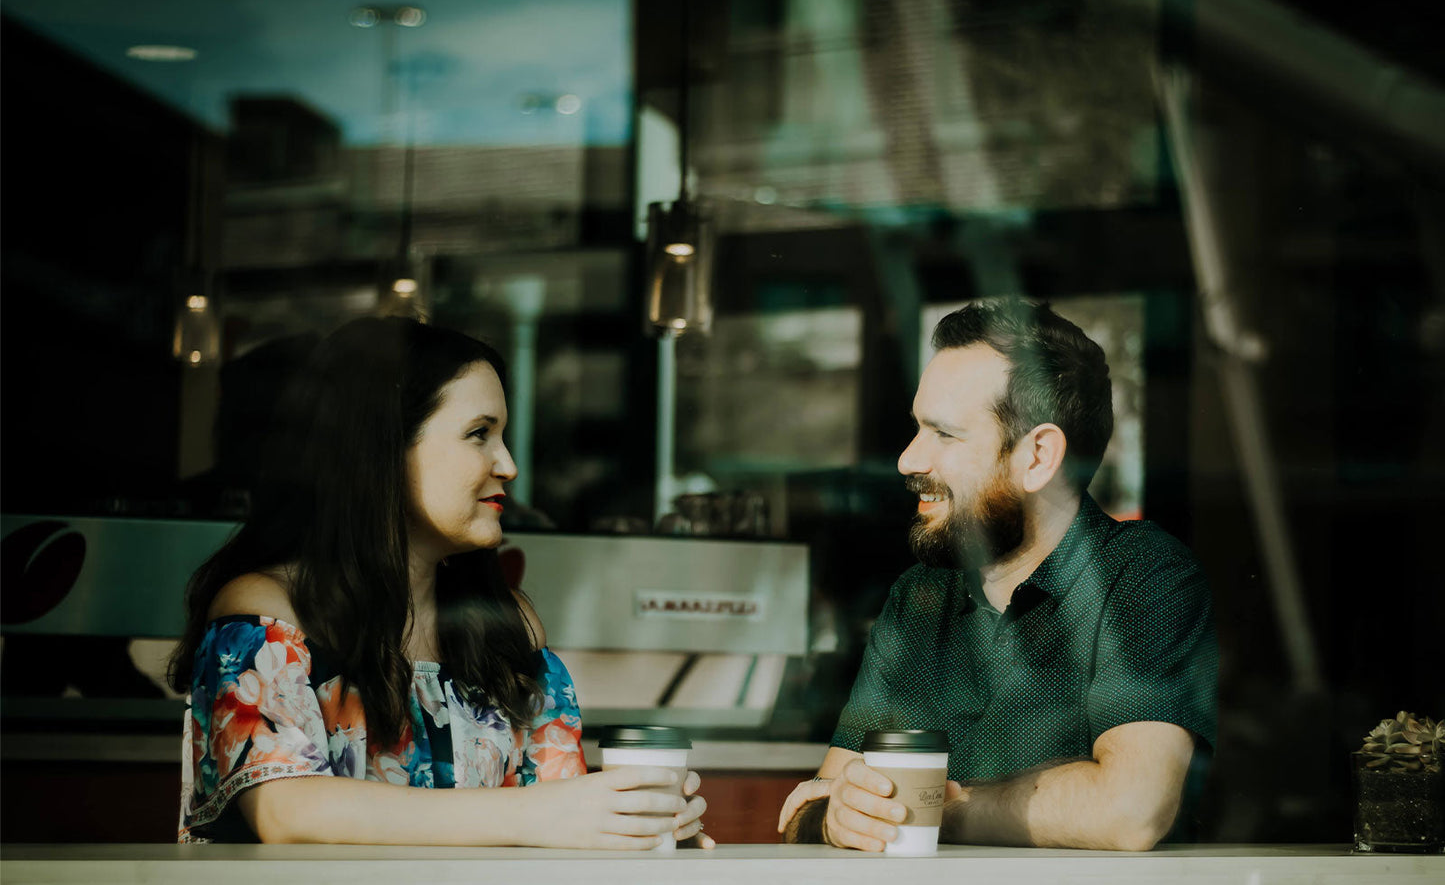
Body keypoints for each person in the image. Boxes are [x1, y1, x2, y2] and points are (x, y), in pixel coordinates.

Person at [168, 316, 712, 847]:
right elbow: (283, 809)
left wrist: (635, 821)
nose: (508, 464)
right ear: (382, 450)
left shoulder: (507, 627)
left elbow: (560, 813)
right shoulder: (268, 614)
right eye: (479, 434)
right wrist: (531, 815)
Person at [778, 298, 1216, 851]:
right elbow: (816, 804)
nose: (908, 460)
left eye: (944, 434)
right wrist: (833, 817)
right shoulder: (920, 597)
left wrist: (930, 810)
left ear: (1037, 458)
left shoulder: (1142, 576)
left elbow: (1131, 812)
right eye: (917, 428)